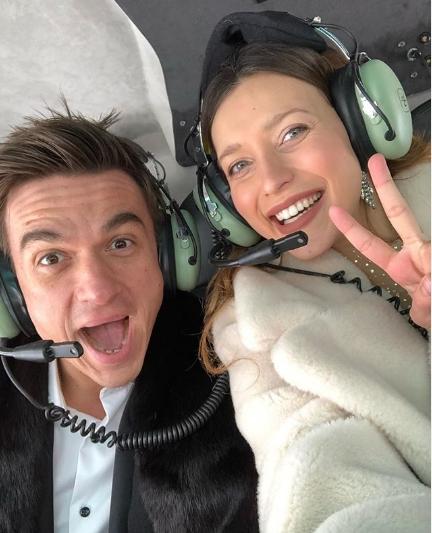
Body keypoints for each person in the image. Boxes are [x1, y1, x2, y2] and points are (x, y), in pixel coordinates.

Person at [197, 11, 431, 533]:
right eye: (240, 166)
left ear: (358, 122)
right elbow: (313, 478)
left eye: (292, 132)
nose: (272, 181)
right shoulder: (254, 329)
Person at [0, 106, 259, 532]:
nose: (98, 289)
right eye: (51, 258)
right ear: (13, 293)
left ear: (166, 258)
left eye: (120, 243)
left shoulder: (241, 370)